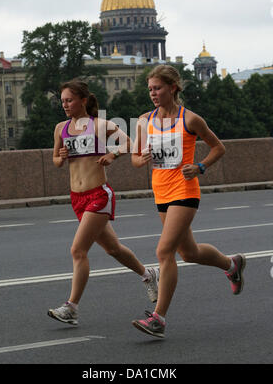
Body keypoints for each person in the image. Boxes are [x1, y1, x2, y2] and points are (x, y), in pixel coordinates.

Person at [131, 65, 246, 339]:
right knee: (189, 252)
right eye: (150, 89)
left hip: (185, 190)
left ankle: (158, 318)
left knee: (164, 252)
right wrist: (141, 158)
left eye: (157, 88)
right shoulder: (144, 120)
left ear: (173, 88)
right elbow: (135, 159)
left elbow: (219, 147)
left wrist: (200, 167)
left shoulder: (190, 119)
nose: (153, 94)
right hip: (161, 192)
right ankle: (232, 265)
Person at [48, 78, 158, 326]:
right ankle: (148, 274)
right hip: (76, 198)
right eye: (63, 101)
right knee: (113, 249)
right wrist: (61, 156)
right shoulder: (60, 128)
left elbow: (129, 143)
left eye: (69, 100)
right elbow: (55, 160)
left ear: (83, 101)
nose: (65, 105)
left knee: (78, 250)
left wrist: (112, 154)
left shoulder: (100, 125)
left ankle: (71, 307)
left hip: (98, 194)